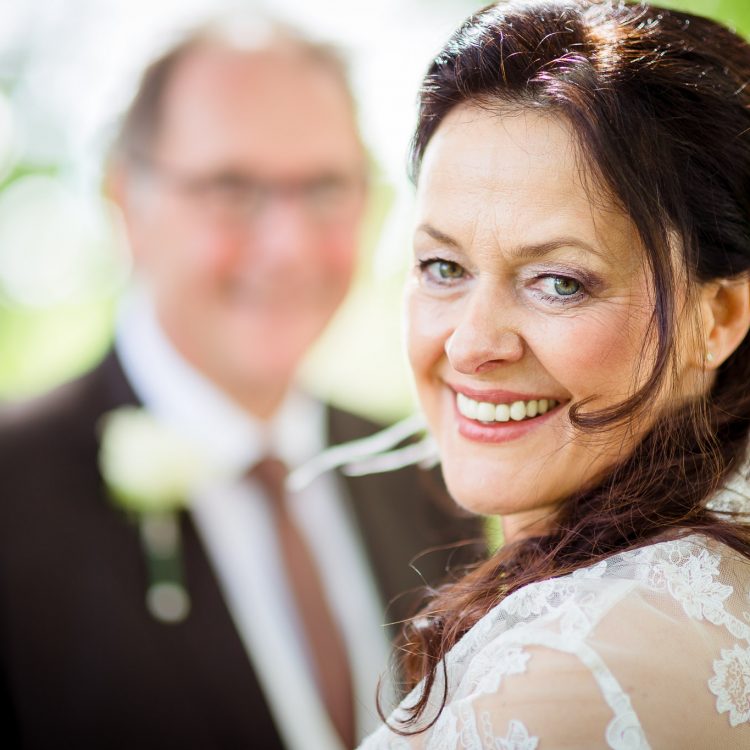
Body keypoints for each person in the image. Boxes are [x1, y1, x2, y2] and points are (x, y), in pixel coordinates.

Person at [0, 18, 482, 750]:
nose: (287, 246)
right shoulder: (12, 490)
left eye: (324, 187)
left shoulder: (433, 475)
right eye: (232, 187)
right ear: (127, 201)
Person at [360, 1, 750, 747]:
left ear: (720, 315)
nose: (473, 344)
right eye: (443, 267)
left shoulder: (572, 670)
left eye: (559, 281)